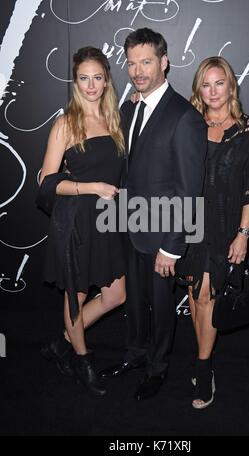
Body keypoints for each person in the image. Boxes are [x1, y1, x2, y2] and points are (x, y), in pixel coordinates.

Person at [99, 28, 207, 401]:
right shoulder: (130, 107)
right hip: (129, 227)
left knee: (161, 309)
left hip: (163, 237)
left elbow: (190, 189)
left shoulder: (185, 117)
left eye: (146, 62)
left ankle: (158, 369)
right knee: (135, 301)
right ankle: (135, 354)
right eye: (131, 63)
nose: (138, 70)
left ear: (164, 62)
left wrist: (173, 247)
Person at [176, 56, 249, 409]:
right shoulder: (190, 124)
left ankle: (203, 368)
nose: (213, 91)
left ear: (231, 86)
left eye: (219, 83)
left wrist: (243, 234)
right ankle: (204, 361)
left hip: (225, 227)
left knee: (207, 297)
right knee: (193, 294)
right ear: (198, 88)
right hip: (188, 223)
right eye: (206, 84)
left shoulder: (248, 130)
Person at [38, 47, 126, 396]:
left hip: (108, 221)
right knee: (74, 296)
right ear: (76, 82)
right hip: (75, 222)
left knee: (116, 294)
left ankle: (62, 343)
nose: (91, 85)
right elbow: (46, 182)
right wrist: (91, 187)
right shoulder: (66, 123)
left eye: (97, 78)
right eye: (83, 78)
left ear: (106, 81)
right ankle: (82, 360)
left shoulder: (115, 120)